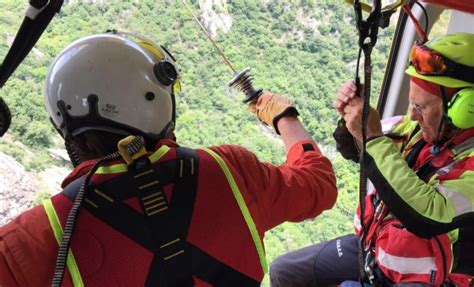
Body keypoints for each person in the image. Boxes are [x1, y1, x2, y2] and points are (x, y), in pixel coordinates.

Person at [0, 31, 337, 286]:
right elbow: (318, 184)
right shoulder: (231, 171)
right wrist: (283, 117)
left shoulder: (30, 241)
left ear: (63, 121)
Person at [270, 32, 474, 287]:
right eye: (412, 104)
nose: (411, 114)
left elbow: (430, 216)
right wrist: (353, 122)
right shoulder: (418, 128)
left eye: (421, 107)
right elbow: (360, 151)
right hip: (382, 249)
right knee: (285, 271)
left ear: (465, 108)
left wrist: (373, 138)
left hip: (435, 277)